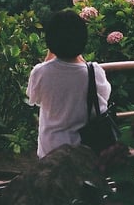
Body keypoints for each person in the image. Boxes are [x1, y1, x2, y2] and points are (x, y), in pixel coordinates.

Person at [27, 9, 111, 158]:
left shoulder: (40, 72)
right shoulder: (93, 72)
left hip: (49, 151)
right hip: (84, 150)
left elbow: (34, 99)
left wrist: (51, 52)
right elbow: (104, 99)